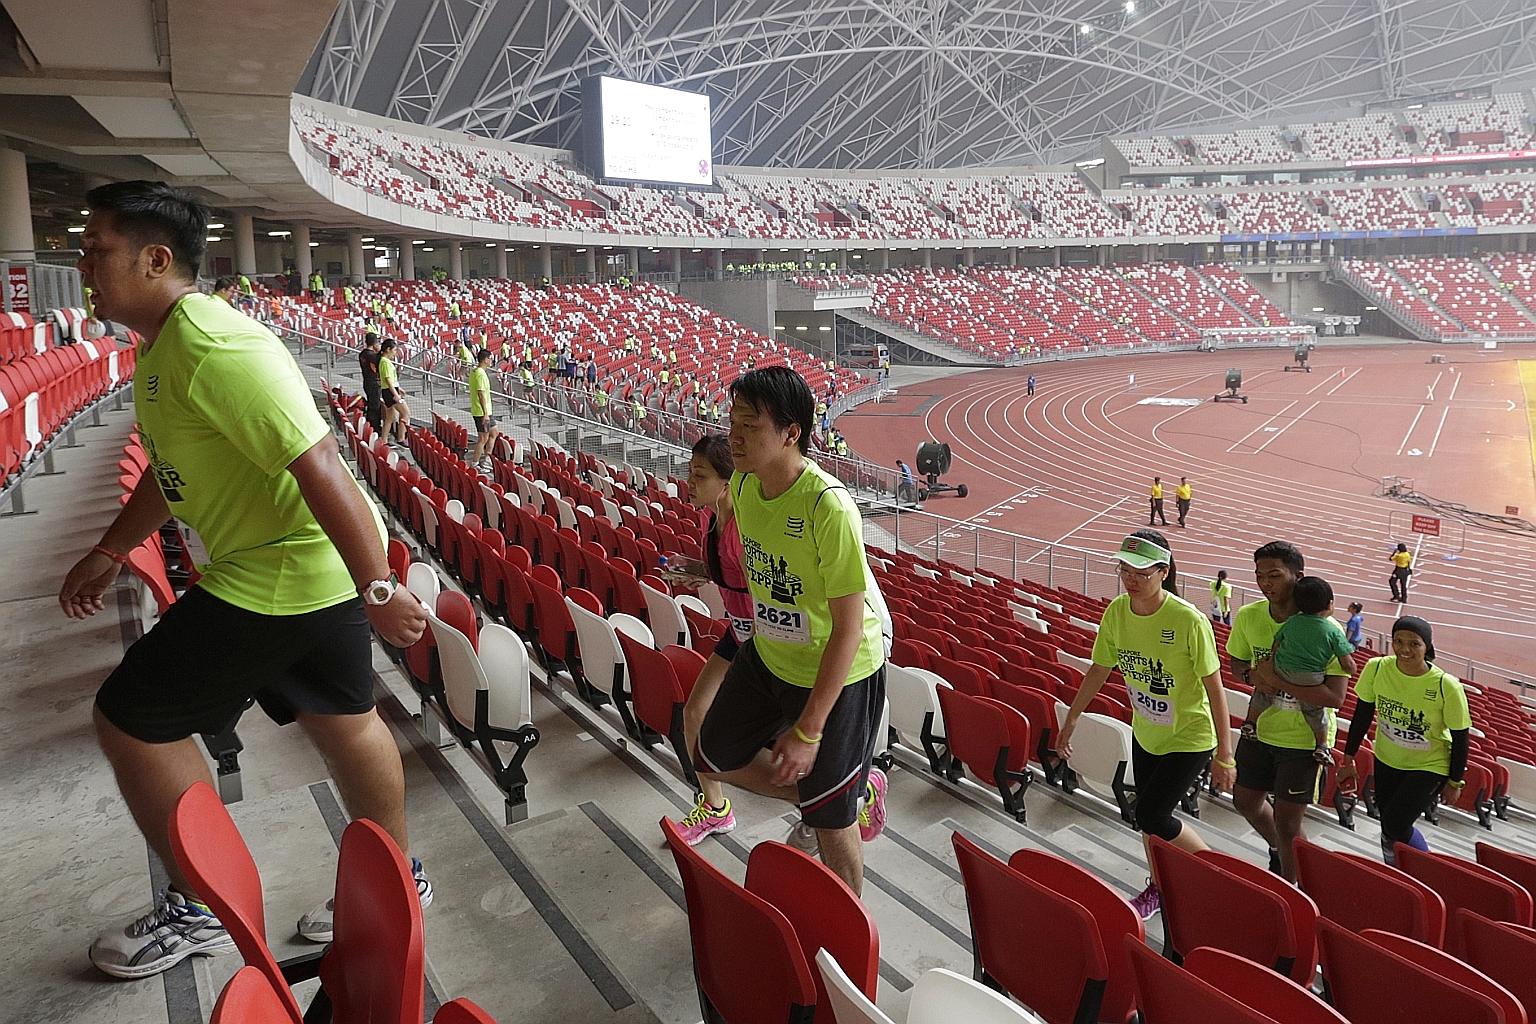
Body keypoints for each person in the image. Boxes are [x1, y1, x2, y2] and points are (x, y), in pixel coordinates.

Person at [61, 181, 430, 978]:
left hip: (283, 570)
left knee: (131, 718)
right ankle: (400, 876)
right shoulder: (164, 344)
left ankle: (199, 907)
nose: (81, 263)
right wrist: (111, 549)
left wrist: (379, 588)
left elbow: (318, 459)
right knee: (344, 719)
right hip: (305, 564)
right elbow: (170, 470)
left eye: (95, 250)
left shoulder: (212, 343)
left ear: (155, 259)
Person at [694, 366, 889, 893]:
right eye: (732, 419)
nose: (733, 435)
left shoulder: (828, 506)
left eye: (750, 425)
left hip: (843, 667)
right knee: (713, 753)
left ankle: (852, 925)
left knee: (830, 824)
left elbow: (849, 627)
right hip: (771, 651)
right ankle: (842, 790)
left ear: (790, 432)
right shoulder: (741, 485)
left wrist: (807, 731)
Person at [1058, 531, 1234, 921]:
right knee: (1149, 816)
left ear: (1163, 571)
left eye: (1140, 570)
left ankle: (1215, 874)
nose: (1129, 577)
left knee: (1151, 814)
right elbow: (1100, 669)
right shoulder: (1117, 613)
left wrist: (1225, 755)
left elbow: (1215, 688)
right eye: (1124, 568)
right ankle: (1158, 884)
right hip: (1146, 733)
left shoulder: (1188, 620)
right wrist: (1071, 718)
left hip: (1189, 737)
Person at [1227, 541, 1349, 883]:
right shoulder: (1250, 616)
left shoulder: (1327, 630)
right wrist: (1252, 676)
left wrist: (1277, 681)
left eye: (1275, 575)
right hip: (1262, 729)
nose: (1266, 583)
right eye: (1260, 576)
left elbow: (1335, 697)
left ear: (1298, 576)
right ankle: (1283, 851)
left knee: (1288, 822)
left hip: (1304, 739)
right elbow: (1237, 661)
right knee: (1245, 801)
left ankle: (1296, 889)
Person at [669, 435, 754, 844]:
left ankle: (849, 793)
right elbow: (723, 570)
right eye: (689, 471)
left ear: (727, 482)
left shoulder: (746, 530)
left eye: (699, 475)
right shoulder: (710, 519)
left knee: (772, 742)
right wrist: (698, 571)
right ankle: (716, 808)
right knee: (694, 714)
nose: (689, 481)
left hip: (763, 643)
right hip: (738, 633)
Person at [1339, 617, 1470, 866]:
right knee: (1388, 821)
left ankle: (1425, 865)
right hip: (1388, 758)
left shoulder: (1446, 686)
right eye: (1398, 641)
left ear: (1427, 647)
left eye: (1414, 644)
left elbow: (1461, 738)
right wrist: (1348, 758)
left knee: (1395, 822)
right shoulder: (1377, 668)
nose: (1405, 649)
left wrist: (1455, 781)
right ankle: (1397, 868)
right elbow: (1362, 715)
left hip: (1429, 764)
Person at [1240, 576, 1356, 765]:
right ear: (1330, 604)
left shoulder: (1292, 622)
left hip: (1282, 669)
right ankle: (1321, 745)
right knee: (1315, 712)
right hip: (1310, 678)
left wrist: (1273, 664)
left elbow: (1277, 642)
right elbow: (1348, 664)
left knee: (1262, 695)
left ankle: (1250, 723)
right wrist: (1351, 668)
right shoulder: (1333, 631)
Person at [468, 348, 497, 469]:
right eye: (490, 358)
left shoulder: (477, 372)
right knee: (483, 438)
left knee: (494, 432)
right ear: (485, 360)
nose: (491, 361)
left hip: (486, 411)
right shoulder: (479, 373)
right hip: (481, 412)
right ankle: (475, 463)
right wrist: (485, 413)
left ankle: (487, 458)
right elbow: (480, 394)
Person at [379, 338, 410, 444]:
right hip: (390, 391)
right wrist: (396, 394)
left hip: (388, 390)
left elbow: (390, 379)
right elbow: (387, 379)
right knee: (405, 413)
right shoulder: (385, 362)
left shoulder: (384, 361)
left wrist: (399, 389)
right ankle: (401, 438)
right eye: (395, 350)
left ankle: (384, 440)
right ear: (388, 349)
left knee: (389, 417)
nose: (395, 353)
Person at [358, 331, 383, 434]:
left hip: (366, 381)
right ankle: (374, 428)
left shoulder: (362, 354)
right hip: (373, 383)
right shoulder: (373, 356)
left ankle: (370, 426)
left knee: (372, 404)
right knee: (374, 406)